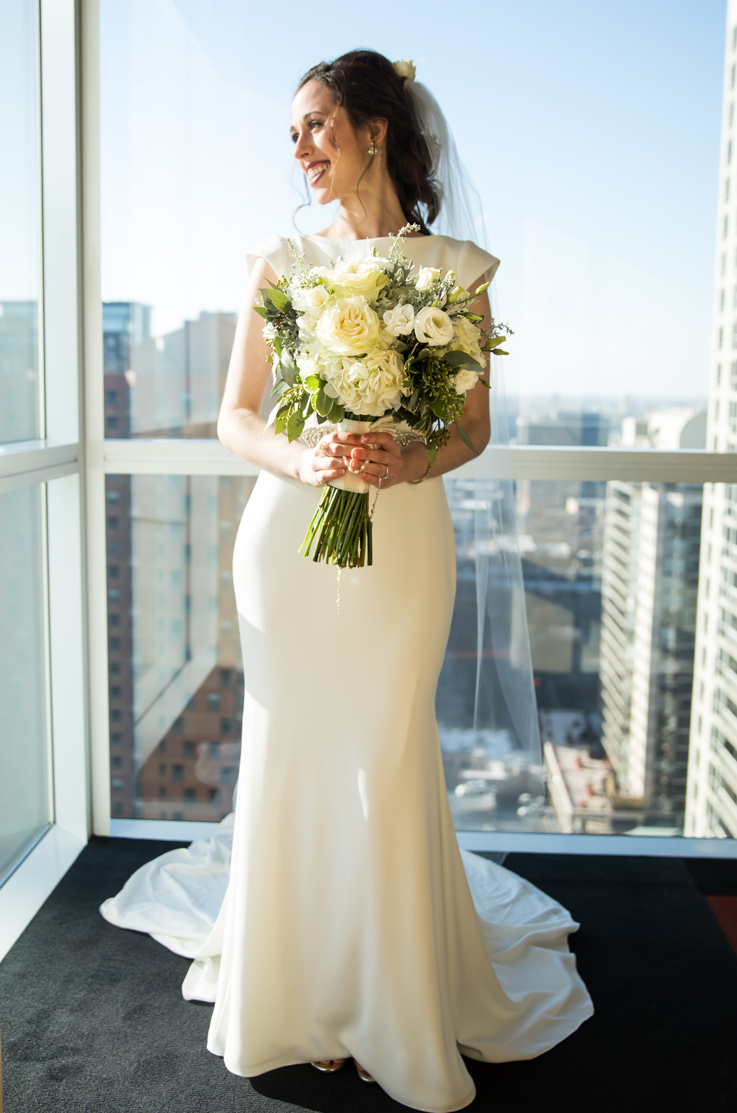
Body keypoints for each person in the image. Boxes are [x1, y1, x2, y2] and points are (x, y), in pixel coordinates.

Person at [101, 48, 594, 1113]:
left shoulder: (456, 268)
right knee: (293, 747)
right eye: (290, 131)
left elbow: (469, 428)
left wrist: (404, 459)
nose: (299, 148)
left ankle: (386, 996)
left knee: (383, 743)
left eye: (316, 123)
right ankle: (306, 992)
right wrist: (307, 458)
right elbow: (238, 414)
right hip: (287, 535)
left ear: (375, 127)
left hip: (404, 538)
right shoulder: (278, 259)